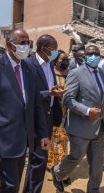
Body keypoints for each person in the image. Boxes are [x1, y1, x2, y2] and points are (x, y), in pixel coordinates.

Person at [0, 29, 49, 193]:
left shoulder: (28, 68)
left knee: (14, 184)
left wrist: (43, 133)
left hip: (24, 140)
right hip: (3, 140)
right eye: (22, 43)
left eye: (28, 43)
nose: (27, 46)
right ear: (10, 45)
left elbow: (35, 104)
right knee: (10, 186)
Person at [51, 45, 104, 193]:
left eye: (97, 53)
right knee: (76, 156)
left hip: (100, 126)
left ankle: (94, 189)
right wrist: (87, 110)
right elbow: (68, 99)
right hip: (80, 125)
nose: (94, 56)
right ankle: (57, 172)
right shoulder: (76, 73)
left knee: (97, 163)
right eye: (90, 54)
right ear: (85, 57)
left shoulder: (102, 73)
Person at [23, 34, 66, 193]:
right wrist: (47, 93)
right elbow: (27, 94)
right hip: (33, 119)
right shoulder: (28, 65)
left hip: (47, 119)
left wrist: (54, 93)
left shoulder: (50, 65)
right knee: (38, 159)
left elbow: (49, 91)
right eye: (53, 49)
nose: (56, 52)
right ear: (44, 49)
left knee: (39, 160)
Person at [47, 50, 71, 186]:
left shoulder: (68, 74)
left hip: (67, 115)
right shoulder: (51, 75)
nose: (65, 61)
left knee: (62, 144)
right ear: (55, 60)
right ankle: (59, 172)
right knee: (56, 144)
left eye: (66, 59)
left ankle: (58, 169)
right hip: (55, 114)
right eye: (62, 59)